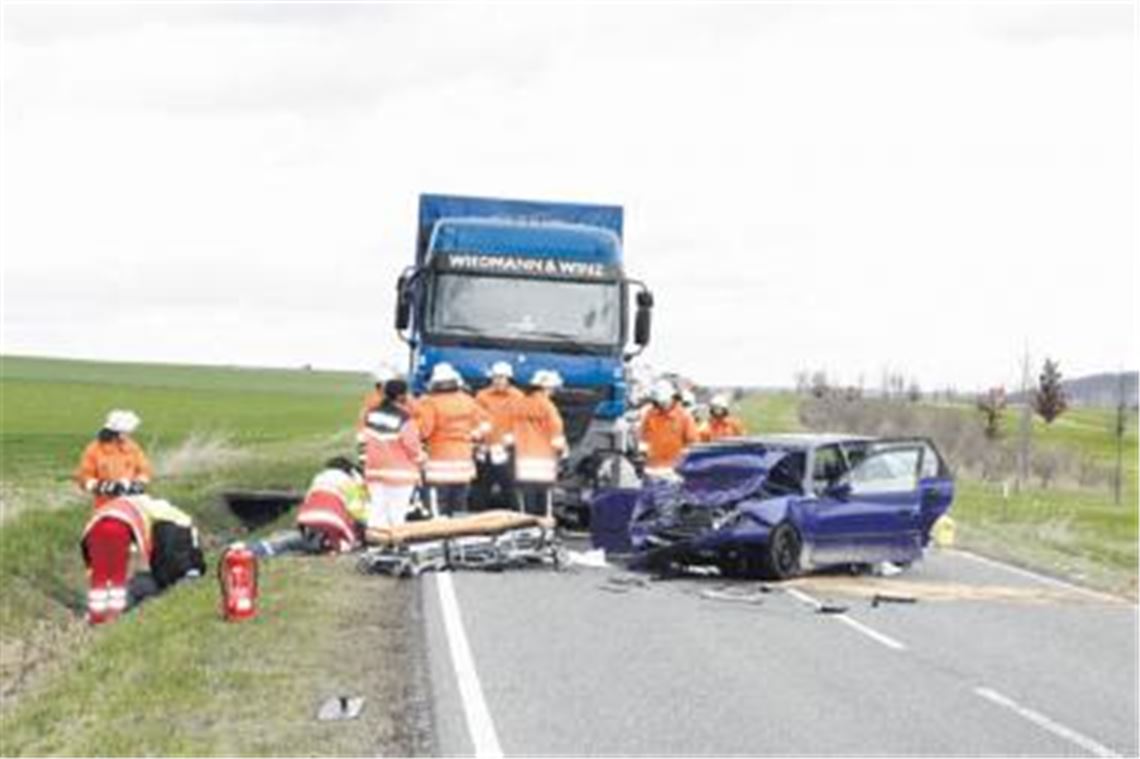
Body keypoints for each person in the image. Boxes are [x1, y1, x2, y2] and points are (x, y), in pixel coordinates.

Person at [80, 494, 204, 625]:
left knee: (100, 578)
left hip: (93, 533)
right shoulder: (150, 506)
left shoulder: (115, 505)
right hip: (119, 530)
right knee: (117, 579)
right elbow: (178, 520)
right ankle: (113, 613)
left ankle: (95, 615)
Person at [415, 363, 490, 517]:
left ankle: (440, 537)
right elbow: (486, 426)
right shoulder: (468, 401)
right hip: (463, 465)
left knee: (438, 508)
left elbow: (424, 431)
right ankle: (460, 537)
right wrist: (472, 436)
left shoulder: (430, 402)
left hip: (439, 465)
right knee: (459, 507)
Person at [361, 380, 425, 529]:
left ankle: (375, 545)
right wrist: (422, 459)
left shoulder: (371, 415)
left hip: (374, 471)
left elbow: (365, 440)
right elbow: (412, 447)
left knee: (377, 512)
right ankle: (394, 546)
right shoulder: (404, 419)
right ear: (402, 396)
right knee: (397, 514)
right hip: (399, 474)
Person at [512, 370, 566, 517]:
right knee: (543, 502)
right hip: (544, 462)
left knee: (526, 501)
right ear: (547, 388)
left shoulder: (520, 404)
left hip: (523, 460)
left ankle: (526, 530)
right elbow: (556, 434)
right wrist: (562, 453)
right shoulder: (548, 407)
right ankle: (543, 532)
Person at [75, 410, 153, 509]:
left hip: (131, 504)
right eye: (126, 433)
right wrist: (105, 487)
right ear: (117, 433)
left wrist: (137, 484)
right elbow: (84, 477)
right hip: (104, 505)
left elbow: (145, 470)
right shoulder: (94, 449)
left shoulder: (132, 447)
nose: (128, 435)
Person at [474, 361, 524, 509]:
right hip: (485, 448)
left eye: (502, 377)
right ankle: (478, 519)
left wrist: (513, 437)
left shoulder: (517, 397)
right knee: (481, 487)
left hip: (507, 448)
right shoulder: (482, 396)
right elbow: (476, 418)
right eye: (496, 377)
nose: (499, 381)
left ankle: (516, 518)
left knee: (510, 487)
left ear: (509, 379)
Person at [294, 457, 370, 553]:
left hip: (305, 518)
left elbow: (308, 500)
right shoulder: (348, 481)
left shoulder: (319, 478)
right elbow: (357, 511)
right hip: (333, 521)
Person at [639, 379, 701, 479]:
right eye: (659, 402)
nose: (662, 405)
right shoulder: (649, 414)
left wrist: (682, 463)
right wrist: (643, 451)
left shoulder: (684, 416)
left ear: (672, 397)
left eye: (665, 402)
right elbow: (643, 438)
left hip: (674, 471)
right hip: (651, 469)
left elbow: (693, 443)